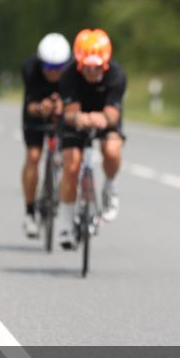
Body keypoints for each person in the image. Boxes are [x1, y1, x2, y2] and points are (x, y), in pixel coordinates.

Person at [57, 28, 127, 248]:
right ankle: (67, 226)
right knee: (71, 166)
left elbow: (113, 113)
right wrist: (79, 117)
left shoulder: (117, 74)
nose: (92, 71)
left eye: (97, 67)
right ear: (79, 63)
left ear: (105, 63)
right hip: (76, 119)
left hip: (105, 117)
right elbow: (69, 112)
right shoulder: (68, 75)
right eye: (88, 66)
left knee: (112, 150)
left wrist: (103, 119)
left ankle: (110, 186)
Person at [20, 33, 72, 238]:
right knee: (33, 156)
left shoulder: (73, 71)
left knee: (69, 156)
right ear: (41, 64)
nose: (54, 73)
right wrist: (41, 108)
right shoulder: (30, 68)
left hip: (63, 113)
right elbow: (30, 105)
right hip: (35, 112)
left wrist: (64, 107)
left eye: (59, 68)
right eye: (49, 68)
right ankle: (30, 211)